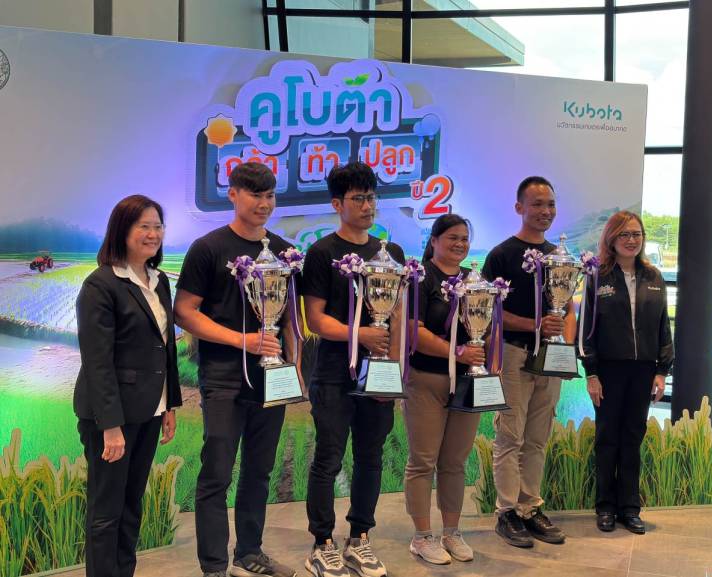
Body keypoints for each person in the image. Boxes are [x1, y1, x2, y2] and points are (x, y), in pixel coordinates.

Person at [174, 162, 298, 577]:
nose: (264, 203)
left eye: (270, 195)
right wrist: (240, 339)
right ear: (233, 194)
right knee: (217, 473)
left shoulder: (284, 251)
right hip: (224, 377)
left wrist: (293, 368)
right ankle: (213, 566)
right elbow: (184, 312)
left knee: (260, 471)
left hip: (272, 377)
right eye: (254, 194)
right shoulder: (208, 248)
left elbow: (290, 321)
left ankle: (250, 553)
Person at [302, 161, 404, 577]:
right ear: (337, 204)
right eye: (358, 198)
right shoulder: (322, 253)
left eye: (371, 197)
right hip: (333, 373)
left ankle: (360, 537)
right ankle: (322, 542)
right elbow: (316, 319)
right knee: (328, 457)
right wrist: (359, 334)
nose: (367, 206)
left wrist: (392, 368)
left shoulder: (391, 254)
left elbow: (397, 317)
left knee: (370, 456)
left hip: (378, 371)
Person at [74, 194, 182, 577]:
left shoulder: (159, 280)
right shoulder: (101, 285)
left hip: (150, 410)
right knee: (107, 511)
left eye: (158, 226)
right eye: (144, 226)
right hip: (112, 418)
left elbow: (165, 348)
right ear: (123, 231)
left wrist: (170, 404)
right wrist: (111, 426)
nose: (153, 234)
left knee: (131, 505)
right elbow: (97, 361)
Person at [481, 175, 575, 548]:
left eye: (550, 204)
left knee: (537, 437)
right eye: (537, 204)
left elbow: (568, 310)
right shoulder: (502, 255)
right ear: (519, 207)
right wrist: (534, 325)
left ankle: (530, 507)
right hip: (513, 353)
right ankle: (506, 512)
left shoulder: (559, 257)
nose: (545, 211)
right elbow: (488, 310)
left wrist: (564, 346)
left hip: (549, 357)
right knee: (510, 435)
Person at [580, 210, 673, 535]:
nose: (631, 240)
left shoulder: (654, 276)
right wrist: (591, 373)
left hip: (643, 370)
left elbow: (663, 327)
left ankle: (630, 509)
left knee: (633, 438)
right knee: (607, 439)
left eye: (636, 234)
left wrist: (662, 371)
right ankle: (605, 507)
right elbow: (586, 330)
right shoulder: (597, 277)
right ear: (611, 238)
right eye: (624, 234)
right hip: (608, 370)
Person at [403, 214, 482, 565]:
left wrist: (485, 354)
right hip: (426, 380)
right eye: (452, 237)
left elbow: (487, 327)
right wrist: (457, 352)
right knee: (423, 461)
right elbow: (413, 332)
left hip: (466, 384)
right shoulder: (420, 278)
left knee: (454, 462)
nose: (460, 244)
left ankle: (452, 532)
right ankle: (422, 537)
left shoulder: (474, 280)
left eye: (465, 238)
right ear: (433, 241)